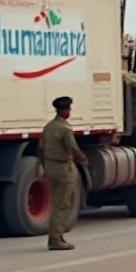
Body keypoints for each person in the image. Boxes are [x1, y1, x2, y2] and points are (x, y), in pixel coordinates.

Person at [41, 96, 88, 251]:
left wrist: (44, 167)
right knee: (63, 204)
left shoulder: (49, 127)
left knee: (57, 202)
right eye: (69, 109)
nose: (70, 112)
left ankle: (58, 235)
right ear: (65, 110)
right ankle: (55, 238)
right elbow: (73, 147)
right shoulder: (65, 129)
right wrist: (83, 159)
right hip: (63, 168)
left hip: (51, 166)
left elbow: (41, 148)